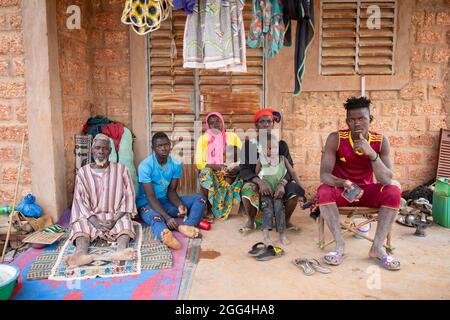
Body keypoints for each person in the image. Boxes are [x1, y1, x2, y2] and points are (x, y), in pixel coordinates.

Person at [318, 97, 402, 271]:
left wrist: (371, 153)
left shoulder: (380, 141)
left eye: (362, 118)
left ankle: (377, 248)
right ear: (347, 121)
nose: (357, 123)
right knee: (323, 190)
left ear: (370, 119)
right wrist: (342, 182)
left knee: (393, 191)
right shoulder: (336, 138)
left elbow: (386, 179)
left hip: (367, 192)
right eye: (352, 119)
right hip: (343, 190)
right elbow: (324, 175)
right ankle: (339, 246)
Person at [66, 134, 138, 268]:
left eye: (104, 149)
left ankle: (121, 251)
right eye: (98, 148)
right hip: (91, 216)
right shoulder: (83, 172)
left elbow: (129, 196)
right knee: (80, 225)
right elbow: (79, 200)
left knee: (125, 223)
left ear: (110, 151)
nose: (101, 152)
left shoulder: (121, 170)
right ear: (92, 150)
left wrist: (115, 219)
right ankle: (80, 254)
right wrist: (95, 222)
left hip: (115, 215)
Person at [239, 109, 306, 234]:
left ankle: (286, 221)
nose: (266, 124)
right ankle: (251, 221)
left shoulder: (280, 145)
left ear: (273, 124)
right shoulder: (250, 146)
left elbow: (289, 168)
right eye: (262, 122)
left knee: (293, 188)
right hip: (259, 182)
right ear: (256, 125)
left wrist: (282, 184)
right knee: (247, 187)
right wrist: (260, 182)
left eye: (269, 122)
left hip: (278, 181)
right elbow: (244, 170)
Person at [136, 132, 206, 250]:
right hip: (147, 203)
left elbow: (172, 191)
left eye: (166, 145)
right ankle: (165, 234)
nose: (163, 148)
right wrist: (167, 217)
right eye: (159, 146)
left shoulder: (175, 164)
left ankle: (187, 226)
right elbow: (150, 196)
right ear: (153, 148)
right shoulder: (145, 166)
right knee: (156, 218)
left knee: (201, 199)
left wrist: (179, 205)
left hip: (165, 201)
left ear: (170, 146)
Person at [255, 134, 304, 245]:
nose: (272, 150)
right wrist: (260, 185)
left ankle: (282, 234)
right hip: (267, 191)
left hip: (278, 191)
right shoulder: (261, 159)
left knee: (279, 208)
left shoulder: (283, 159)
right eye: (269, 148)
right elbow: (256, 175)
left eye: (275, 147)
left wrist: (301, 188)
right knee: (267, 209)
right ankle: (266, 236)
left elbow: (293, 173)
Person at [195, 112, 244, 220]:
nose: (216, 125)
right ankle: (208, 208)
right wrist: (218, 167)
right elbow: (199, 163)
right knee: (205, 173)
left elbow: (243, 156)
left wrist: (236, 168)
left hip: (231, 171)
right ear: (208, 125)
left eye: (218, 121)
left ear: (222, 122)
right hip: (213, 171)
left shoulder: (232, 136)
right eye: (211, 123)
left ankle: (241, 207)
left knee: (245, 171)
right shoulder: (203, 139)